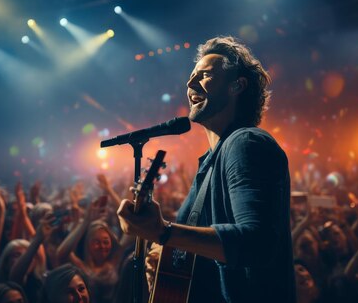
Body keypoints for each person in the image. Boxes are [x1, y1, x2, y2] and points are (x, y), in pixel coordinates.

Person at [117, 36, 296, 302]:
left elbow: (258, 243)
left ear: (237, 85)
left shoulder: (245, 142)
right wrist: (167, 259)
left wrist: (166, 233)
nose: (190, 84)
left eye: (204, 75)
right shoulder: (212, 159)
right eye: (191, 77)